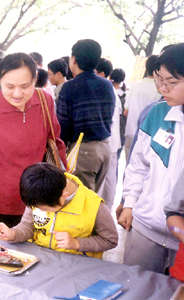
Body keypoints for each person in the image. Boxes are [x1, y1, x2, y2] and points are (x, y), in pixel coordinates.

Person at [0, 53, 66, 230]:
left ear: (35, 80)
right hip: (0, 208)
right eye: (9, 86)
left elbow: (55, 143)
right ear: (0, 81)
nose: (17, 94)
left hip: (40, 201)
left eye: (25, 86)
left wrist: (65, 185)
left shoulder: (44, 101)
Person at [118, 43, 184, 273]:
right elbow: (138, 166)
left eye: (172, 82)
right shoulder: (157, 113)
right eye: (159, 79)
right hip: (146, 227)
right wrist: (130, 204)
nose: (163, 88)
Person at [0, 163, 118, 257]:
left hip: (76, 265)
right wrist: (12, 234)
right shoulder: (38, 194)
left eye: (47, 209)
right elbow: (27, 227)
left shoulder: (94, 206)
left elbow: (110, 240)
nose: (38, 210)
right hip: (41, 259)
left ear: (64, 194)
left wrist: (76, 244)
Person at [57, 39, 115, 201]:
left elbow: (63, 125)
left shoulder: (70, 87)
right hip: (104, 148)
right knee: (93, 198)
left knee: (81, 203)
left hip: (83, 151)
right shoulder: (107, 85)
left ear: (73, 60)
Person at [95, 58, 120, 209]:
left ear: (102, 74)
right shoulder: (109, 90)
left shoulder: (105, 89)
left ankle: (105, 213)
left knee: (107, 182)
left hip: (108, 142)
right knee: (108, 181)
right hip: (110, 142)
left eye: (95, 72)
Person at [124, 55, 160, 157]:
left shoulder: (135, 85)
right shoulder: (161, 89)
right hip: (150, 136)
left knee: (129, 168)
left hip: (131, 131)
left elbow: (126, 112)